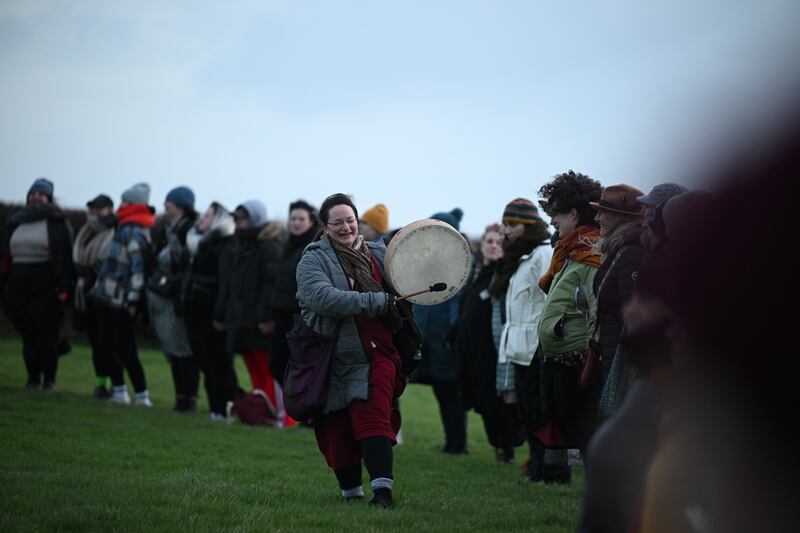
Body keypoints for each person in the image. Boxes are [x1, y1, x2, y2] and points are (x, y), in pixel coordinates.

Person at [295, 193, 405, 508]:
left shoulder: (381, 254)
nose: (346, 227)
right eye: (338, 222)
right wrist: (374, 301)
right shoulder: (312, 259)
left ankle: (382, 493)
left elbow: (407, 284)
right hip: (332, 357)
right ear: (325, 226)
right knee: (337, 426)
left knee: (372, 418)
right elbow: (322, 298)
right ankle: (351, 493)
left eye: (351, 220)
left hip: (376, 352)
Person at [534, 171, 604, 482]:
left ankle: (603, 497)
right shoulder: (571, 252)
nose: (552, 222)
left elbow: (595, 309)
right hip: (562, 359)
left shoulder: (589, 253)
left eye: (556, 213)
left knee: (590, 437)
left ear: (573, 213)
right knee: (580, 433)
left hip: (577, 361)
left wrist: (591, 354)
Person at [488, 198, 552, 480]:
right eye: (505, 224)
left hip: (537, 345)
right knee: (526, 410)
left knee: (539, 411)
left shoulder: (542, 255)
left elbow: (550, 301)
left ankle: (548, 467)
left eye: (512, 224)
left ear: (528, 226)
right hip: (519, 346)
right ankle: (536, 464)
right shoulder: (521, 256)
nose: (507, 230)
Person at [220, 199, 292, 426]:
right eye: (236, 218)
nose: (237, 222)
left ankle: (282, 416)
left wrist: (268, 317)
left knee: (267, 368)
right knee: (253, 367)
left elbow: (271, 286)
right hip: (243, 317)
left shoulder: (267, 246)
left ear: (254, 218)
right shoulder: (242, 246)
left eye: (242, 217)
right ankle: (262, 411)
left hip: (259, 319)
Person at [456, 223, 524, 463]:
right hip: (475, 357)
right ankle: (499, 449)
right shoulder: (477, 275)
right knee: (485, 404)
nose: (494, 246)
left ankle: (506, 452)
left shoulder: (505, 276)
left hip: (495, 355)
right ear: (482, 245)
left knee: (500, 406)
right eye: (490, 242)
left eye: (499, 242)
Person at [1, 178, 75, 391]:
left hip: (46, 283)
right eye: (32, 193)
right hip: (18, 282)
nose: (36, 197)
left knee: (46, 335)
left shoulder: (57, 222)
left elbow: (65, 257)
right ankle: (32, 378)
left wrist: (65, 287)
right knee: (27, 334)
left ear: (49, 198)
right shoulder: (16, 220)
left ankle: (49, 380)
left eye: (41, 194)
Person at [412, 207, 468, 454]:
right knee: (442, 393)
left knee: (452, 395)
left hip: (445, 341)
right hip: (431, 340)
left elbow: (456, 304)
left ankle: (458, 444)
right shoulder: (425, 264)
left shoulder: (458, 267)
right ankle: (451, 443)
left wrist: (451, 335)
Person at [93, 182, 155, 406]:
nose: (120, 206)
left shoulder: (133, 231)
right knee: (113, 347)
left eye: (125, 202)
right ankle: (124, 391)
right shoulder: (128, 227)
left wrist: (132, 301)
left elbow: (138, 270)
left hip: (119, 300)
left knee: (124, 348)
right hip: (111, 297)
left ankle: (140, 395)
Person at [180, 202, 238, 420]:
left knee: (219, 364)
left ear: (218, 220)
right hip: (195, 313)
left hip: (212, 314)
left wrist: (220, 314)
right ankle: (215, 409)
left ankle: (225, 409)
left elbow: (225, 283)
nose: (201, 220)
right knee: (206, 364)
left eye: (207, 216)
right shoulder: (200, 243)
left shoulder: (226, 245)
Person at [147, 186, 198, 412]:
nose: (165, 205)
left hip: (179, 297)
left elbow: (186, 266)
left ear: (180, 205)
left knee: (184, 350)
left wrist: (171, 282)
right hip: (163, 297)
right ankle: (180, 397)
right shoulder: (166, 229)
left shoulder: (189, 230)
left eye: (169, 202)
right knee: (173, 349)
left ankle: (189, 399)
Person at [589, 185, 646, 384]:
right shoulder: (619, 251)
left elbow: (634, 321)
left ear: (620, 217)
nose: (597, 219)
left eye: (602, 212)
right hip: (614, 361)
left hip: (623, 369)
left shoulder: (631, 254)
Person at [268, 200, 319, 386]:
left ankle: (294, 415)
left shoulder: (313, 247)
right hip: (282, 318)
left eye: (301, 218)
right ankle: (287, 414)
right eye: (293, 218)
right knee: (277, 366)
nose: (296, 222)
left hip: (299, 319)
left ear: (311, 221)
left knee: (294, 370)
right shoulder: (288, 244)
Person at [72, 193, 117, 398]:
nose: (94, 212)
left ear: (109, 209)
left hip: (104, 292)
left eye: (99, 208)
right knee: (95, 343)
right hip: (85, 289)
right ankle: (100, 384)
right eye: (92, 208)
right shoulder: (86, 231)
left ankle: (116, 385)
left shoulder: (114, 231)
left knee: (106, 342)